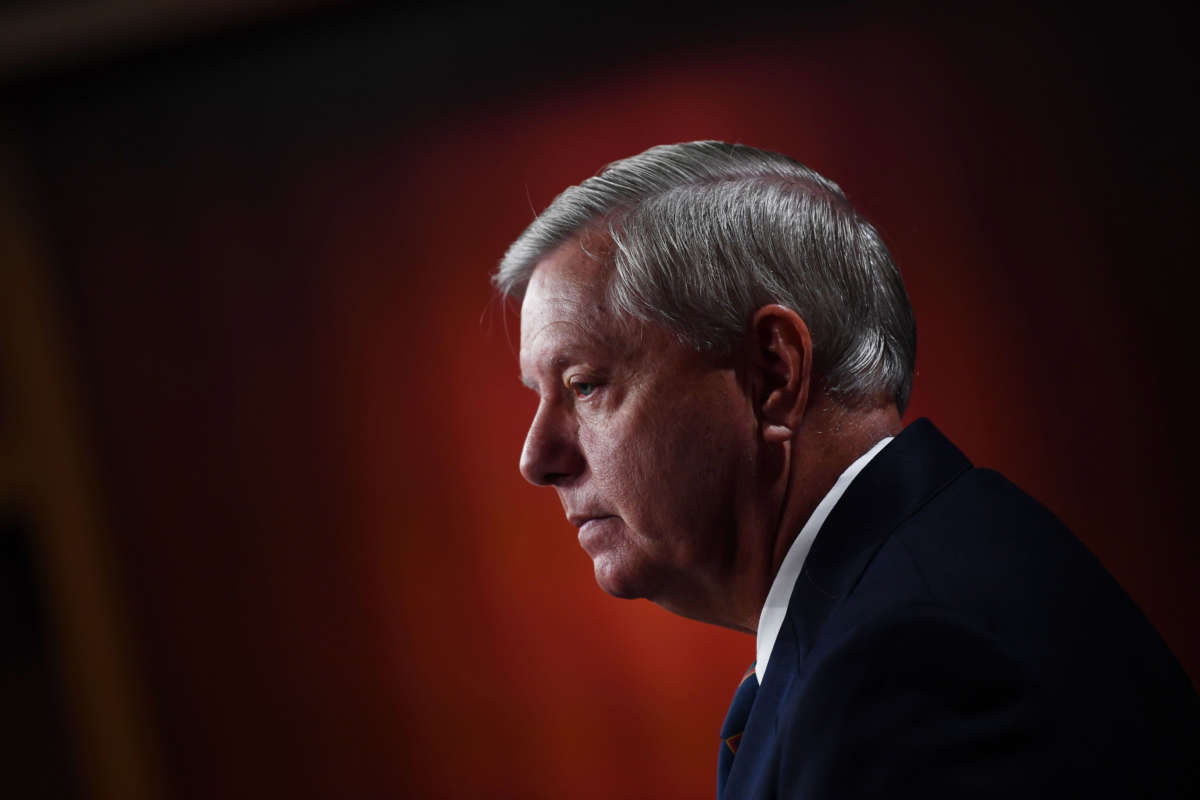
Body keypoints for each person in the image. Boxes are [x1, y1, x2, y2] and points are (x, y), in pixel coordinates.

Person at [492, 141, 1199, 798]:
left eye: (584, 386)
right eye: (540, 396)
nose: (537, 459)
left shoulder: (903, 668)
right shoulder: (916, 584)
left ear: (773, 373)